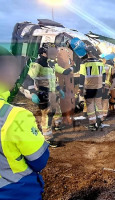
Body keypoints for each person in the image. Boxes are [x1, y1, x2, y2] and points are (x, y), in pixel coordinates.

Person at [0, 46, 49, 200]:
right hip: (17, 191)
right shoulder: (15, 116)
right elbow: (39, 160)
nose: (15, 76)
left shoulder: (49, 65)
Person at [23, 43, 75, 147]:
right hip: (43, 93)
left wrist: (59, 89)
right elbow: (28, 80)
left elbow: (54, 79)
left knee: (53, 111)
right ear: (43, 53)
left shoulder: (51, 64)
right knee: (47, 115)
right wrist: (33, 93)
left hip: (52, 93)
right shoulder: (38, 64)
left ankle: (54, 127)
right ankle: (47, 138)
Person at [79, 46, 106, 131]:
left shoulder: (84, 63)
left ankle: (92, 124)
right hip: (98, 87)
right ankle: (100, 122)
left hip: (89, 87)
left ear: (88, 53)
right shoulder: (100, 62)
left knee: (90, 105)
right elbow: (104, 75)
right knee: (98, 104)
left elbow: (82, 76)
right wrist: (103, 85)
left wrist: (80, 87)